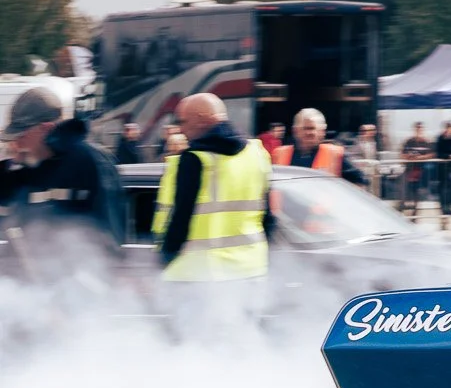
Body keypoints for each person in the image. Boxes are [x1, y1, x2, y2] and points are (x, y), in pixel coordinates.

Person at [153, 92, 270, 288]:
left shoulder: (194, 159)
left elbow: (181, 218)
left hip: (198, 276)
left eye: (183, 121)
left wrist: (164, 258)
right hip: (251, 271)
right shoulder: (257, 153)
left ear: (200, 120)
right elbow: (268, 215)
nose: (180, 129)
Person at [0, 86, 127, 263]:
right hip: (33, 284)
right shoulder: (24, 167)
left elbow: (111, 235)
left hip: (81, 282)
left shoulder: (92, 162)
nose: (17, 143)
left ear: (45, 129)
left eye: (22, 136)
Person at [274, 108, 367, 186]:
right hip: (286, 208)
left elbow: (361, 181)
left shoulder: (335, 154)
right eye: (306, 128)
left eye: (313, 128)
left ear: (322, 132)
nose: (310, 133)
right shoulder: (279, 154)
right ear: (295, 130)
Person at [398, 122, 434, 218]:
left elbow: (431, 155)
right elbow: (402, 154)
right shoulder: (409, 141)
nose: (419, 130)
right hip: (409, 169)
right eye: (417, 128)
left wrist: (419, 158)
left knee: (417, 192)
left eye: (420, 129)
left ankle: (415, 212)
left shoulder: (426, 142)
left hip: (421, 171)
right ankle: (404, 210)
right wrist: (409, 157)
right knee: (406, 191)